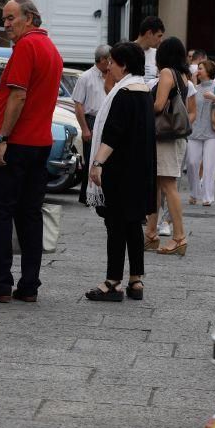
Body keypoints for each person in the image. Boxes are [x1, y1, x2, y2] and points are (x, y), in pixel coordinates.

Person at [0, 0, 62, 303]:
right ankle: (29, 286)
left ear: (30, 18)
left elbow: (18, 97)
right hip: (41, 143)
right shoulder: (51, 48)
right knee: (30, 214)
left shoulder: (26, 47)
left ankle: (0, 284)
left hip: (18, 143)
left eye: (11, 18)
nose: (6, 25)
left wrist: (2, 137)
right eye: (4, 19)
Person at [84, 42, 156, 302]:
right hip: (140, 169)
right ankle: (136, 280)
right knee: (133, 224)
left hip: (121, 169)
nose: (109, 67)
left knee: (115, 225)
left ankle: (113, 281)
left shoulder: (124, 93)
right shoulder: (144, 90)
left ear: (123, 64)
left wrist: (98, 163)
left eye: (112, 62)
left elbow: (113, 133)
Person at [144, 37, 194, 256]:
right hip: (172, 137)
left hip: (165, 138)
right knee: (156, 185)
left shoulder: (166, 73)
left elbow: (158, 105)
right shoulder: (183, 75)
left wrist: (142, 101)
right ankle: (151, 233)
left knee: (167, 185)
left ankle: (179, 237)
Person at [186, 60, 215, 206]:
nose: (197, 71)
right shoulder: (193, 87)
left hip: (213, 132)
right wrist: (192, 83)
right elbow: (187, 106)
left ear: (208, 71)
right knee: (192, 163)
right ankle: (194, 192)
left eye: (200, 68)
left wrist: (214, 98)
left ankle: (207, 196)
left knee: (209, 165)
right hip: (194, 131)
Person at [72, 44, 112, 204]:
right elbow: (78, 104)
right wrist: (84, 128)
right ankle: (86, 195)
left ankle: (101, 193)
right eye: (109, 60)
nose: (110, 63)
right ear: (102, 59)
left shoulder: (110, 76)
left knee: (103, 159)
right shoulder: (86, 77)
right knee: (91, 159)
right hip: (92, 120)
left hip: (106, 119)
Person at [134, 16, 165, 82]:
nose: (161, 40)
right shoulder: (125, 51)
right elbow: (109, 84)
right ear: (149, 33)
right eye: (159, 36)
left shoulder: (157, 54)